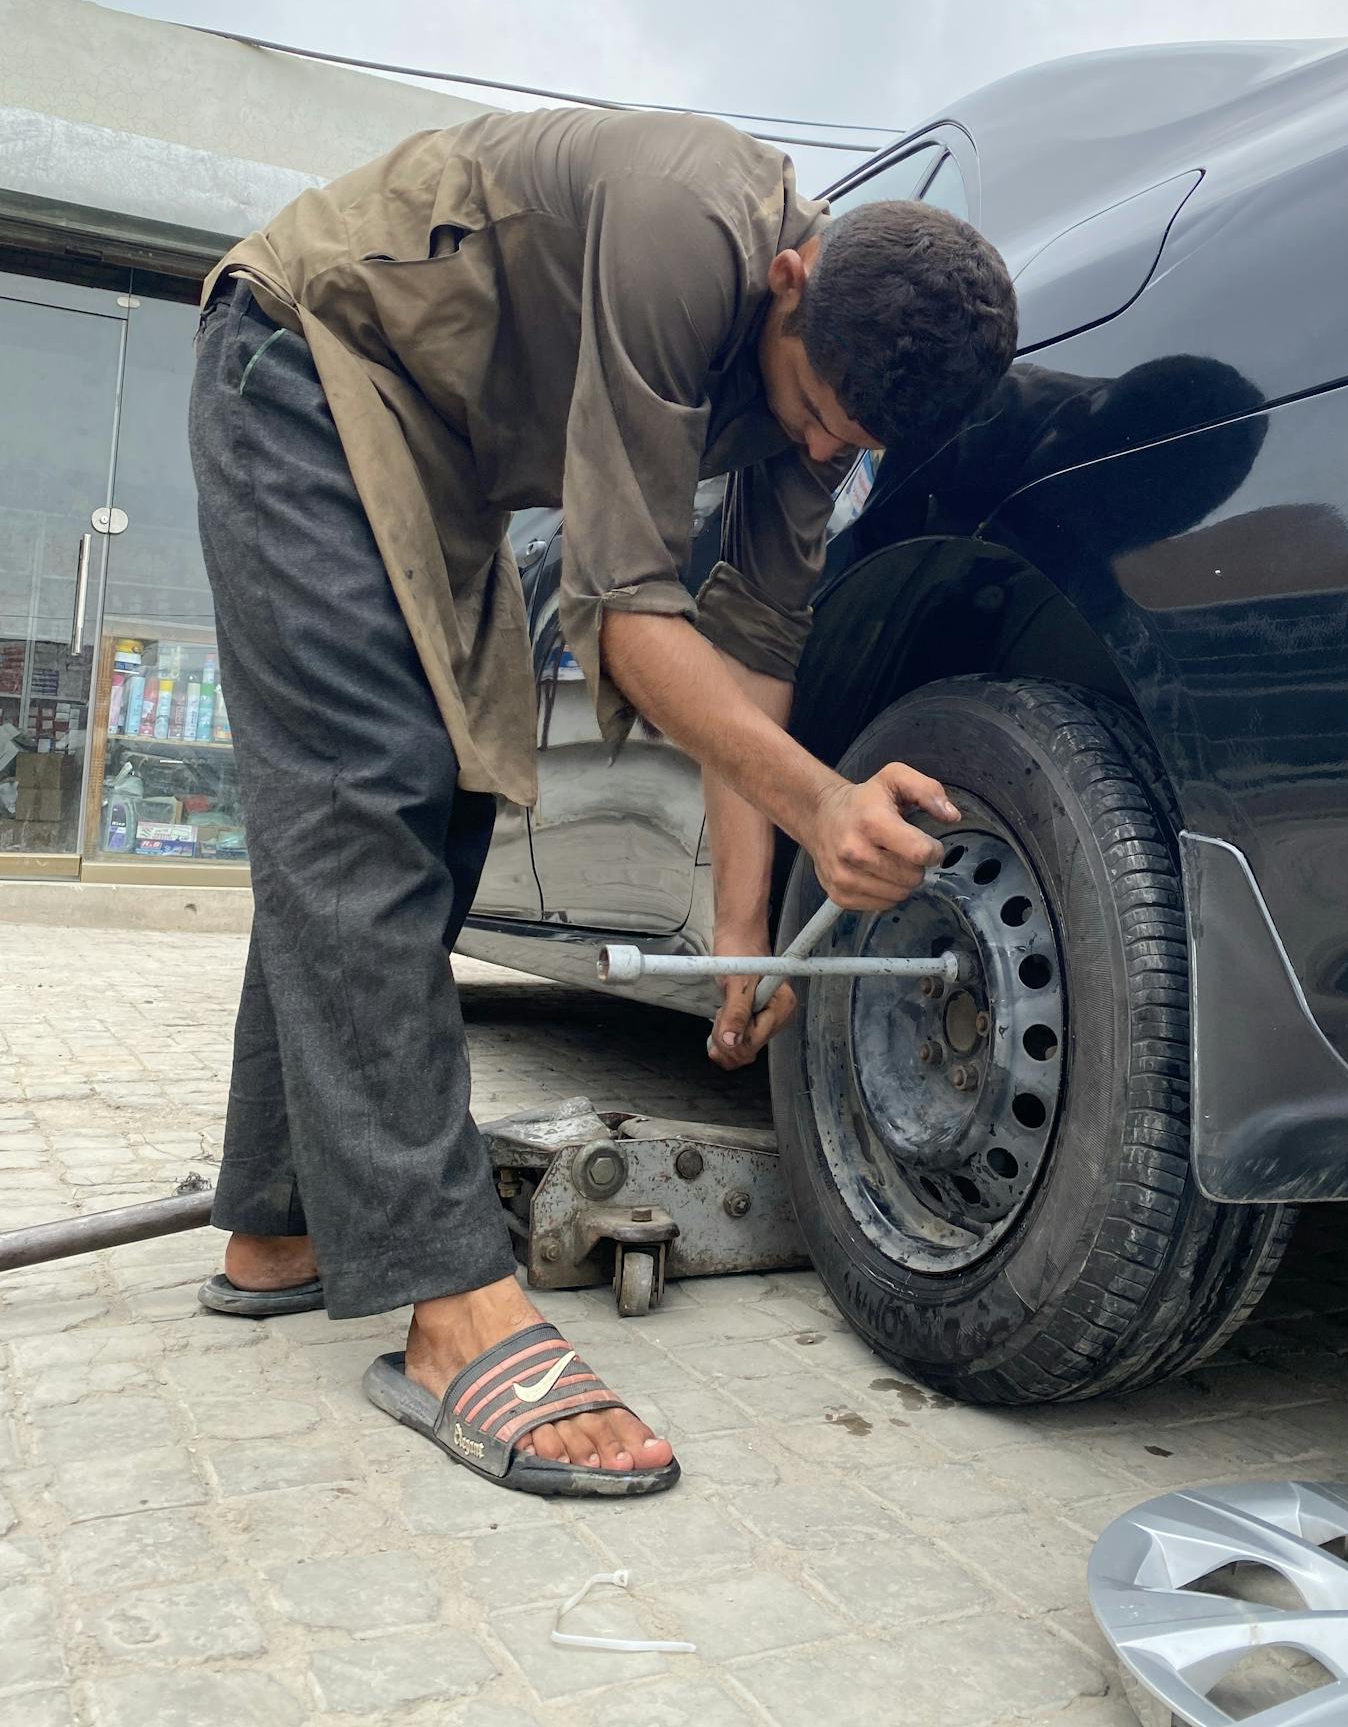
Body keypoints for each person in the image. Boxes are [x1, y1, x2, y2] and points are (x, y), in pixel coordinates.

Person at [189, 106, 1017, 1497]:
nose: (820, 451)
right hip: (306, 358)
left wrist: (745, 943)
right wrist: (824, 810)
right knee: (362, 802)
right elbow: (627, 618)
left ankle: (283, 1230)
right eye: (815, 412)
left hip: (437, 453)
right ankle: (451, 1303)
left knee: (437, 814)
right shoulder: (686, 224)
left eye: (850, 446)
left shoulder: (822, 405)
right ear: (794, 279)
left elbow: (749, 667)